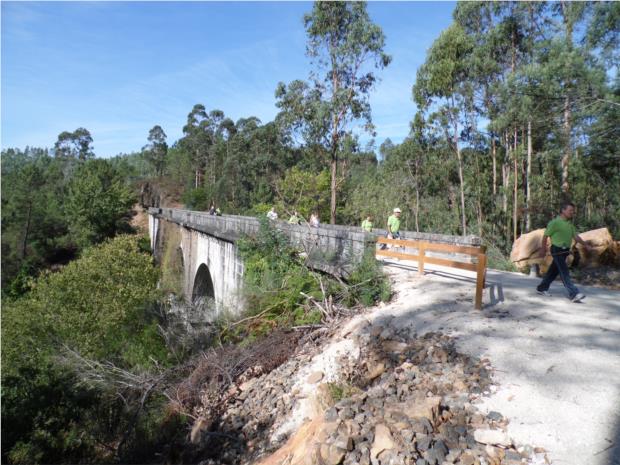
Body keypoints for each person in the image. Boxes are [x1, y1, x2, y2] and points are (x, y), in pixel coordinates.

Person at [536, 201, 592, 302]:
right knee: (564, 271)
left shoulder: (570, 224)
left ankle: (542, 288)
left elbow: (576, 237)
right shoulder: (554, 223)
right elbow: (545, 236)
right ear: (563, 210)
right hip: (557, 249)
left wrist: (585, 244)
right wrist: (543, 249)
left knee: (554, 271)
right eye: (570, 210)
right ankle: (574, 293)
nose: (572, 212)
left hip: (565, 251)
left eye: (573, 211)